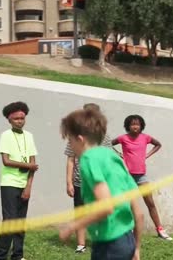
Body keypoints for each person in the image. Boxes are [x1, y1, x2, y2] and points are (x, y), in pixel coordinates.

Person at [59, 108, 144, 260]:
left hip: (109, 245)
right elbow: (138, 213)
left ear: (80, 139)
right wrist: (136, 248)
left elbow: (106, 207)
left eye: (70, 141)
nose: (70, 145)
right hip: (127, 240)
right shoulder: (113, 158)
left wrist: (73, 226)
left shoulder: (88, 159)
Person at [112, 115, 172, 241]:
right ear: (128, 126)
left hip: (141, 176)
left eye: (137, 124)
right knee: (127, 205)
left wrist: (147, 155)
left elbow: (158, 144)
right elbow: (108, 144)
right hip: (127, 177)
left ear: (141, 126)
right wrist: (118, 155)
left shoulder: (146, 138)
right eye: (132, 124)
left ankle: (160, 229)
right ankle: (128, 230)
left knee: (150, 203)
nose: (135, 126)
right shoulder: (123, 138)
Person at [64, 103, 112, 253]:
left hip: (98, 182)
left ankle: (103, 240)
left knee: (101, 211)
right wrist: (69, 182)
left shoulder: (104, 138)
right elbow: (70, 160)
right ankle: (81, 244)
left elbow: (108, 160)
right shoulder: (74, 137)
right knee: (80, 212)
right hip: (80, 182)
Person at [0, 102, 38, 260]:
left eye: (22, 118)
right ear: (9, 120)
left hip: (23, 183)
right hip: (9, 183)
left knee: (20, 222)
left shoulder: (29, 136)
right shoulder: (5, 135)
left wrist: (28, 187)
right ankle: (0, 255)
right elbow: (6, 160)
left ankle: (18, 255)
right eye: (16, 118)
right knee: (10, 220)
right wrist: (27, 165)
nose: (20, 121)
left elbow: (34, 163)